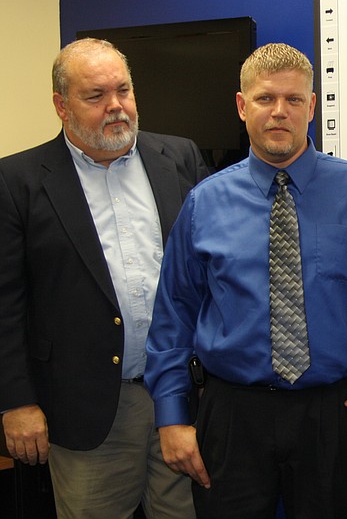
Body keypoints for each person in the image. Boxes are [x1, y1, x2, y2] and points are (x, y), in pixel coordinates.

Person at [144, 42, 347, 519]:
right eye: (266, 99)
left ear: (311, 107)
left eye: (293, 100)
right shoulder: (204, 203)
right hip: (231, 415)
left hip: (335, 412)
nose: (279, 112)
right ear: (242, 105)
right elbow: (173, 314)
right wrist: (171, 417)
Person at [0, 38, 209, 518]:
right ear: (61, 105)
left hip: (181, 397)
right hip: (88, 408)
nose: (116, 106)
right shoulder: (19, 181)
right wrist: (16, 402)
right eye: (96, 96)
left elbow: (210, 272)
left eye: (124, 90)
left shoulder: (179, 159)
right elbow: (6, 303)